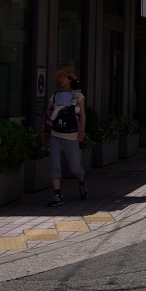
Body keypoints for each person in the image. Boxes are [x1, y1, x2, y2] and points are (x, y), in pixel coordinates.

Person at [40, 66, 87, 207]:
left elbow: (82, 114)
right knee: (54, 165)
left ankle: (82, 182)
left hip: (71, 136)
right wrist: (42, 132)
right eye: (59, 77)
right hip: (55, 134)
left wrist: (82, 131)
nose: (60, 79)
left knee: (74, 167)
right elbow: (47, 115)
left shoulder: (78, 96)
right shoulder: (54, 96)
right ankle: (57, 194)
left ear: (70, 79)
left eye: (64, 77)